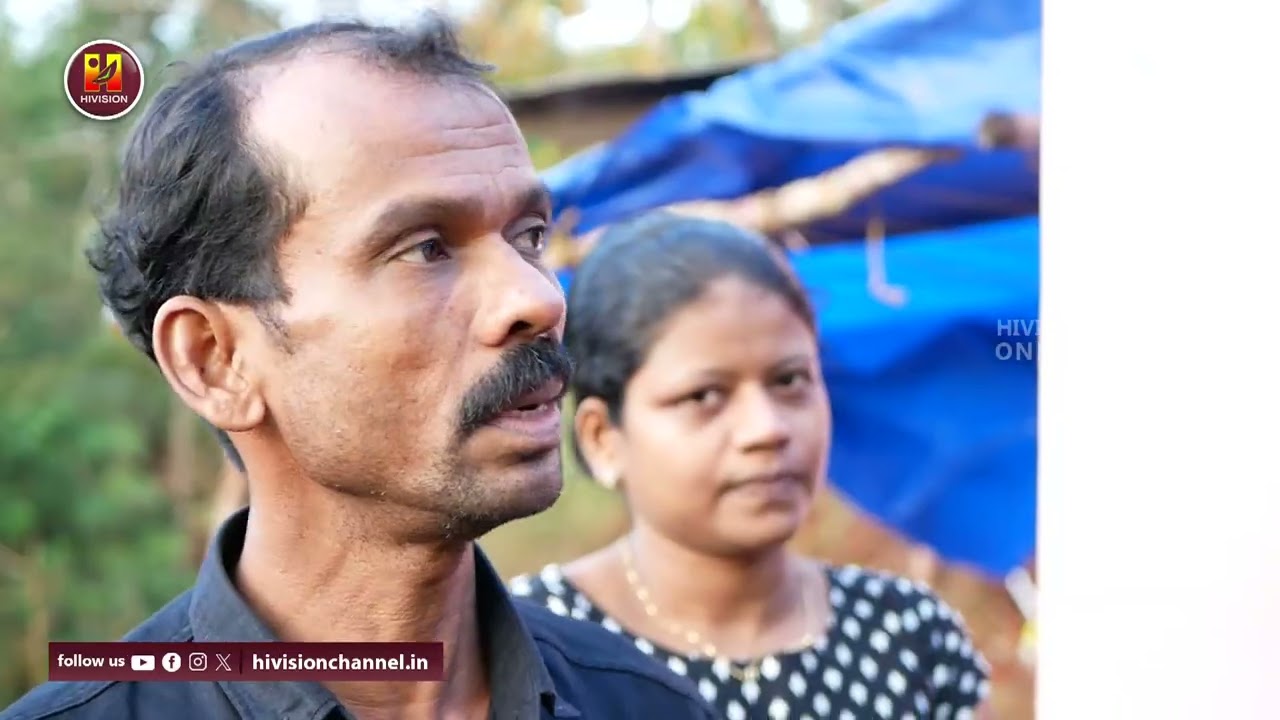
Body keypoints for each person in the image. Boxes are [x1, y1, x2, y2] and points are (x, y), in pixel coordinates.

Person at [2, 16, 715, 720]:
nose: (538, 298)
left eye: (528, 236)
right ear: (215, 360)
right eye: (426, 248)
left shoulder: (649, 705)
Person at [511, 211, 992, 720]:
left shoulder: (910, 637)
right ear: (603, 438)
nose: (767, 428)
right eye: (705, 395)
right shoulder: (525, 647)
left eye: (789, 381)